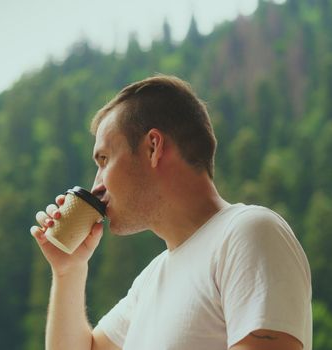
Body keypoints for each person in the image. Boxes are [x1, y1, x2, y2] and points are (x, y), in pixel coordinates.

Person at [30, 75, 312, 350]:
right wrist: (69, 271)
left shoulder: (248, 233)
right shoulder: (150, 281)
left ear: (153, 147)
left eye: (104, 160)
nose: (96, 187)